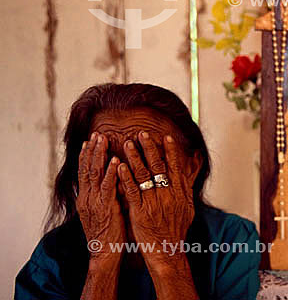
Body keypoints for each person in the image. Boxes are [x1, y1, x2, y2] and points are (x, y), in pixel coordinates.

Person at [15, 83, 261, 300]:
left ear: (191, 167)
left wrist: (167, 257)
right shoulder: (54, 254)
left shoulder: (230, 240)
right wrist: (102, 261)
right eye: (108, 161)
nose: (126, 182)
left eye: (144, 158)